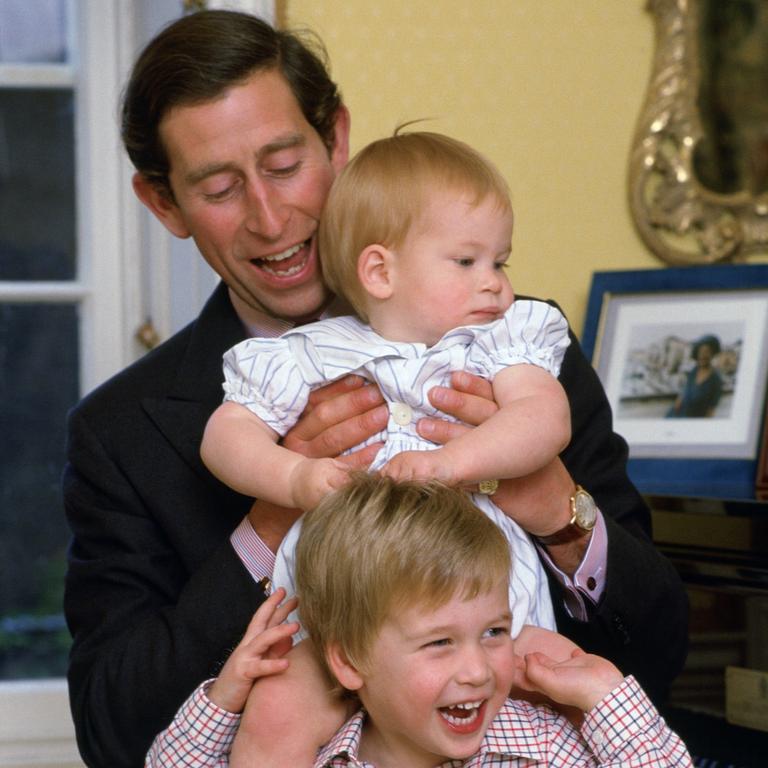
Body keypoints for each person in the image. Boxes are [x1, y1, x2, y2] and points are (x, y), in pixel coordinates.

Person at [61, 9, 688, 767]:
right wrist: (267, 519)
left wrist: (562, 514)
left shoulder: (512, 343)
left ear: (337, 140)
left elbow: (661, 657)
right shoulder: (122, 431)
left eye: (286, 165)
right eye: (220, 188)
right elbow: (114, 734)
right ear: (166, 205)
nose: (270, 217)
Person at [200, 130, 573, 637]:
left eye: (499, 261)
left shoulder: (496, 345)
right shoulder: (314, 352)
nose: (494, 282)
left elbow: (544, 418)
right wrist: (293, 479)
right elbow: (227, 436)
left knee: (521, 676)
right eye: (467, 261)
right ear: (379, 271)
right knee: (289, 694)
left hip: (472, 579)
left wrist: (450, 464)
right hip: (344, 587)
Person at [145, 475, 694, 767]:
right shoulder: (311, 757)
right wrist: (224, 699)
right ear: (348, 660)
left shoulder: (545, 746)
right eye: (438, 642)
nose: (478, 670)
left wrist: (603, 692)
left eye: (494, 632)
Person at [665, 334, 724, 418]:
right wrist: (676, 406)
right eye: (700, 352)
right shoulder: (694, 371)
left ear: (712, 354)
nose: (703, 355)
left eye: (707, 352)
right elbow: (684, 392)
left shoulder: (716, 379)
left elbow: (711, 410)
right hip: (677, 414)